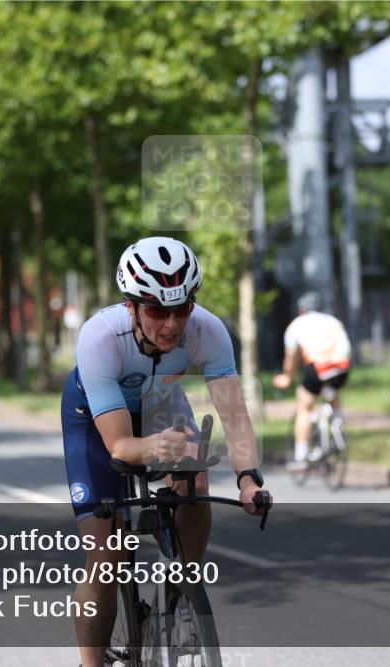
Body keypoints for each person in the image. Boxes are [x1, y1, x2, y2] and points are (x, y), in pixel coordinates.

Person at [62, 236, 269, 667]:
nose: (172, 324)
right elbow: (120, 445)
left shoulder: (208, 331)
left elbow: (233, 413)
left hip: (160, 403)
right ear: (132, 306)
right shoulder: (100, 337)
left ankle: (180, 589)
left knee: (195, 471)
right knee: (106, 560)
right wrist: (153, 447)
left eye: (182, 308)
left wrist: (249, 478)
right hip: (97, 418)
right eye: (157, 310)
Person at [272, 292, 352, 469]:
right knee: (332, 393)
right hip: (342, 368)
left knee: (305, 406)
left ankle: (301, 456)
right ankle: (338, 428)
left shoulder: (296, 325)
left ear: (301, 310)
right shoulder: (334, 322)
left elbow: (291, 358)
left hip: (317, 368)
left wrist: (287, 377)